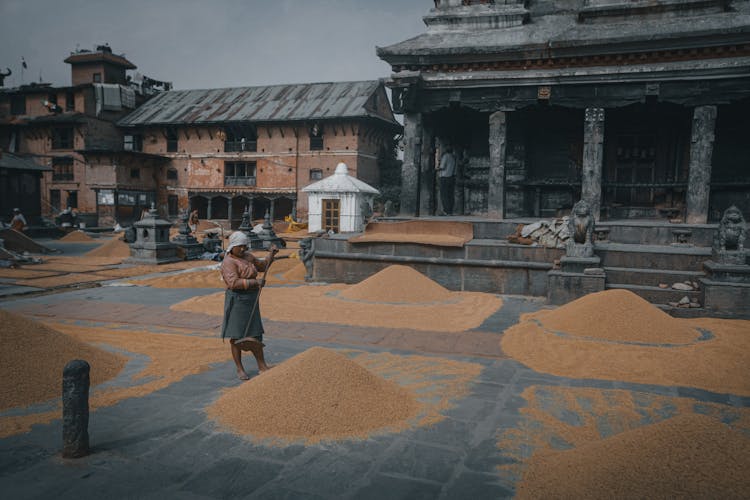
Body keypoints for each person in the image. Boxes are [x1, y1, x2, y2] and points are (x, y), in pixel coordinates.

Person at [220, 231, 278, 380]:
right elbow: (233, 283)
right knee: (237, 335)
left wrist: (271, 255)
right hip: (237, 300)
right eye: (239, 246)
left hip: (251, 299)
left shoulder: (248, 257)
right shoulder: (228, 262)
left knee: (256, 333)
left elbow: (262, 266)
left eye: (244, 246)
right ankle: (240, 368)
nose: (243, 249)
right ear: (232, 246)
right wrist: (254, 282)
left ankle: (262, 365)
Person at [437, 146, 456, 215]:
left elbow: (442, 167)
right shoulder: (453, 157)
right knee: (450, 195)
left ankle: (446, 211)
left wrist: (437, 168)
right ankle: (450, 211)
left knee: (444, 195)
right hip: (451, 177)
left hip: (444, 177)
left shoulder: (445, 156)